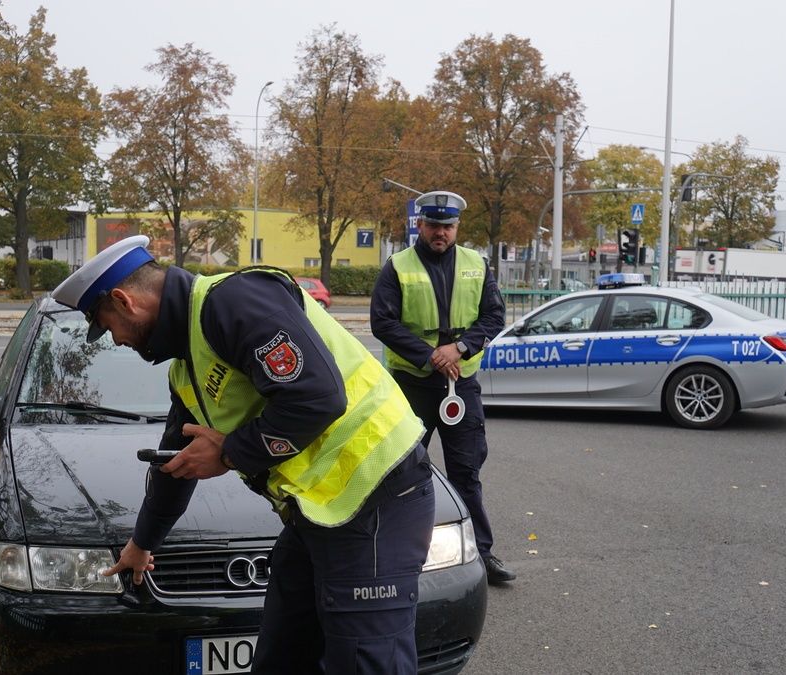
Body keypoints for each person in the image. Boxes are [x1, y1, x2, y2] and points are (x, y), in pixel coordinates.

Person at [51, 235, 435, 674]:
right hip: (318, 515)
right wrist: (141, 544)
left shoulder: (230, 301)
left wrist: (231, 453)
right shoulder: (187, 366)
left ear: (124, 301)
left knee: (366, 664)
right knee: (281, 658)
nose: (115, 340)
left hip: (380, 498)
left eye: (106, 326)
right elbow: (176, 463)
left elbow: (317, 398)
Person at [370, 190, 515, 586]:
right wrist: (429, 354)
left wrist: (460, 347)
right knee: (399, 469)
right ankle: (394, 554)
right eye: (434, 225)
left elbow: (493, 316)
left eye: (448, 227)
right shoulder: (397, 266)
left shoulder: (476, 264)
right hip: (412, 384)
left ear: (457, 228)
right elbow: (383, 323)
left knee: (466, 472)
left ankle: (482, 555)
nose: (441, 233)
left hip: (460, 384)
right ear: (420, 224)